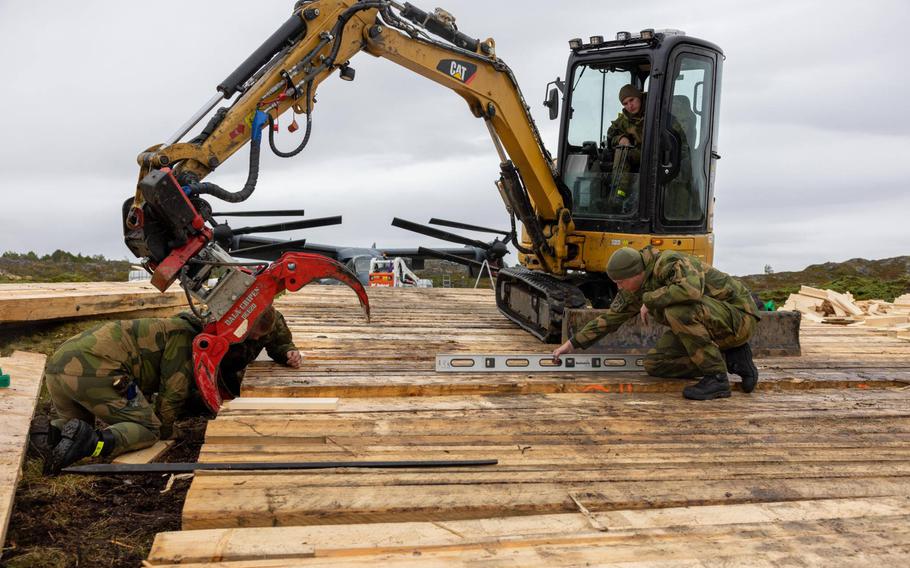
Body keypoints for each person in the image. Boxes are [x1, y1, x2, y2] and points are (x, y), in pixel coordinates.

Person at [31, 306, 300, 474]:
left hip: (59, 364)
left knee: (73, 423)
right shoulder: (186, 337)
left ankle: (49, 434)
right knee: (148, 429)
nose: (253, 341)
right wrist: (167, 430)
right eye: (250, 336)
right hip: (97, 370)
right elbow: (173, 392)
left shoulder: (177, 324)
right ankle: (92, 444)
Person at [552, 246, 760, 400]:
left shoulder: (669, 262)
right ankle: (731, 358)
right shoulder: (634, 289)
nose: (618, 287)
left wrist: (650, 300)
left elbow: (691, 291)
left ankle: (716, 377)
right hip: (713, 325)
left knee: (678, 310)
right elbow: (608, 320)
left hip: (740, 317)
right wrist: (571, 344)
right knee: (655, 364)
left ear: (636, 273)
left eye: (620, 282)